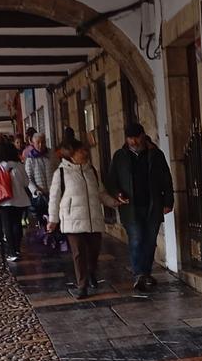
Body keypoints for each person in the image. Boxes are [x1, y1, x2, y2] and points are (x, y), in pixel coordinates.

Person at [106, 122, 174, 291]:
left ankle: (146, 273)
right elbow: (111, 180)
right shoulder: (120, 156)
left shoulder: (155, 155)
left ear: (143, 135)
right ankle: (139, 274)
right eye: (130, 138)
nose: (133, 142)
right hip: (131, 207)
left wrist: (168, 201)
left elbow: (166, 179)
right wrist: (118, 193)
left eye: (136, 137)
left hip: (153, 204)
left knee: (150, 241)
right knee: (136, 240)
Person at [47, 136, 113, 299]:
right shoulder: (61, 173)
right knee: (78, 253)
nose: (85, 152)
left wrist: (113, 202)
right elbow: (54, 198)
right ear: (72, 154)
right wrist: (53, 219)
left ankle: (91, 272)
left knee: (94, 251)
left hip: (93, 218)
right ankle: (81, 285)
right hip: (72, 219)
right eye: (81, 150)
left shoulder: (92, 171)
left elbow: (100, 193)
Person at [0, 135, 31, 262]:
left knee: (7, 226)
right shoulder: (19, 165)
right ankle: (17, 249)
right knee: (17, 225)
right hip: (20, 200)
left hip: (4, 201)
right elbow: (26, 183)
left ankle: (11, 252)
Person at [24, 131, 54, 222]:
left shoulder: (51, 154)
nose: (41, 145)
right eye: (38, 143)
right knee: (43, 220)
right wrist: (35, 190)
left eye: (43, 142)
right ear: (33, 143)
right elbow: (28, 177)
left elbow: (58, 170)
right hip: (40, 195)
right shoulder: (30, 159)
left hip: (53, 192)